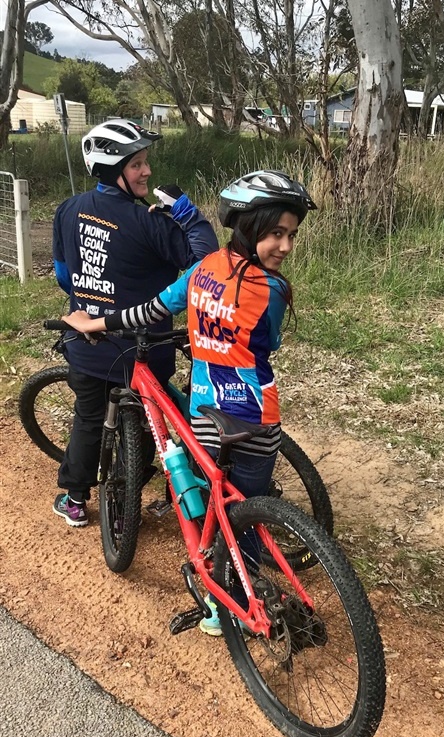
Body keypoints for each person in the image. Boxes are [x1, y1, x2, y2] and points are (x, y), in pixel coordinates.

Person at [62, 169, 317, 634]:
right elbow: (267, 342)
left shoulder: (201, 272)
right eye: (277, 233)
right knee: (249, 512)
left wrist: (96, 324)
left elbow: (153, 309)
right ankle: (249, 588)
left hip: (205, 417)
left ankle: (222, 605)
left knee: (207, 505)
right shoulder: (275, 291)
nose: (285, 246)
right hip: (259, 419)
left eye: (290, 235)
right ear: (249, 226)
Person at [52, 119, 219, 528]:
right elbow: (206, 265)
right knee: (146, 427)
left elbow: (62, 274)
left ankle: (75, 498)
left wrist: (93, 293)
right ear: (114, 170)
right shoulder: (151, 222)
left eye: (145, 162)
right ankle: (126, 505)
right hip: (145, 346)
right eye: (137, 164)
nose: (146, 172)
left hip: (87, 343)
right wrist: (189, 214)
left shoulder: (67, 210)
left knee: (89, 419)